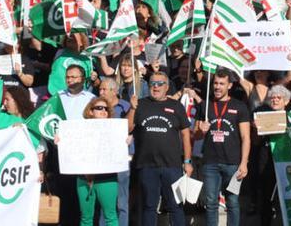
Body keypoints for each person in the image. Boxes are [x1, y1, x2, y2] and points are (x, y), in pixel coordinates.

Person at [127, 71, 192, 226]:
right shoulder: (140, 104)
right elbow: (127, 128)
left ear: (167, 87)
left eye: (159, 84)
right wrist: (132, 108)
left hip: (172, 165)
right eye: (152, 84)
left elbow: (185, 135)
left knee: (175, 206)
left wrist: (187, 161)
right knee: (149, 206)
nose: (155, 87)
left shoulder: (176, 106)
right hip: (146, 165)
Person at [195, 69, 250, 226]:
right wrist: (201, 130)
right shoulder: (205, 105)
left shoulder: (239, 106)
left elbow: (246, 137)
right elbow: (195, 135)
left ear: (230, 85)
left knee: (232, 202)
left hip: (232, 162)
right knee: (211, 203)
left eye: (221, 84)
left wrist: (244, 163)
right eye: (215, 83)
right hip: (210, 161)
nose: (217, 87)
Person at [61, 98, 121, 226]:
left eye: (106, 109)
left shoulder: (115, 130)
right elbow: (70, 149)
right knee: (86, 218)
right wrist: (60, 140)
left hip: (107, 179)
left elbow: (119, 150)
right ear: (90, 111)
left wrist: (125, 141)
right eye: (99, 108)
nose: (103, 111)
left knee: (110, 216)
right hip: (83, 178)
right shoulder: (78, 129)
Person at [251, 85, 291, 226]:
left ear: (286, 101)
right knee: (266, 198)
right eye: (272, 98)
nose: (275, 100)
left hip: (285, 163)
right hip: (266, 162)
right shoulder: (263, 116)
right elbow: (255, 143)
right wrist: (256, 129)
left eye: (278, 98)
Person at [98, 76, 131, 226]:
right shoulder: (97, 108)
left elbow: (131, 129)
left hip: (122, 159)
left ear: (114, 91)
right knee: (105, 201)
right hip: (102, 160)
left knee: (121, 201)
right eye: (100, 89)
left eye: (104, 89)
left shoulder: (126, 107)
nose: (101, 92)